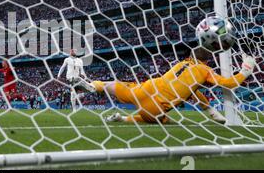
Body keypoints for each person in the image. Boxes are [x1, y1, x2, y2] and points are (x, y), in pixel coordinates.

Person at [92, 48, 256, 124]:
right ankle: (123, 119)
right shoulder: (204, 70)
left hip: (147, 88)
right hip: (155, 108)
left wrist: (210, 111)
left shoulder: (181, 64)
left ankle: (95, 85)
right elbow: (228, 83)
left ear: (191, 56)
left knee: (118, 86)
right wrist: (246, 70)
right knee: (162, 120)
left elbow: (193, 91)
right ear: (207, 61)